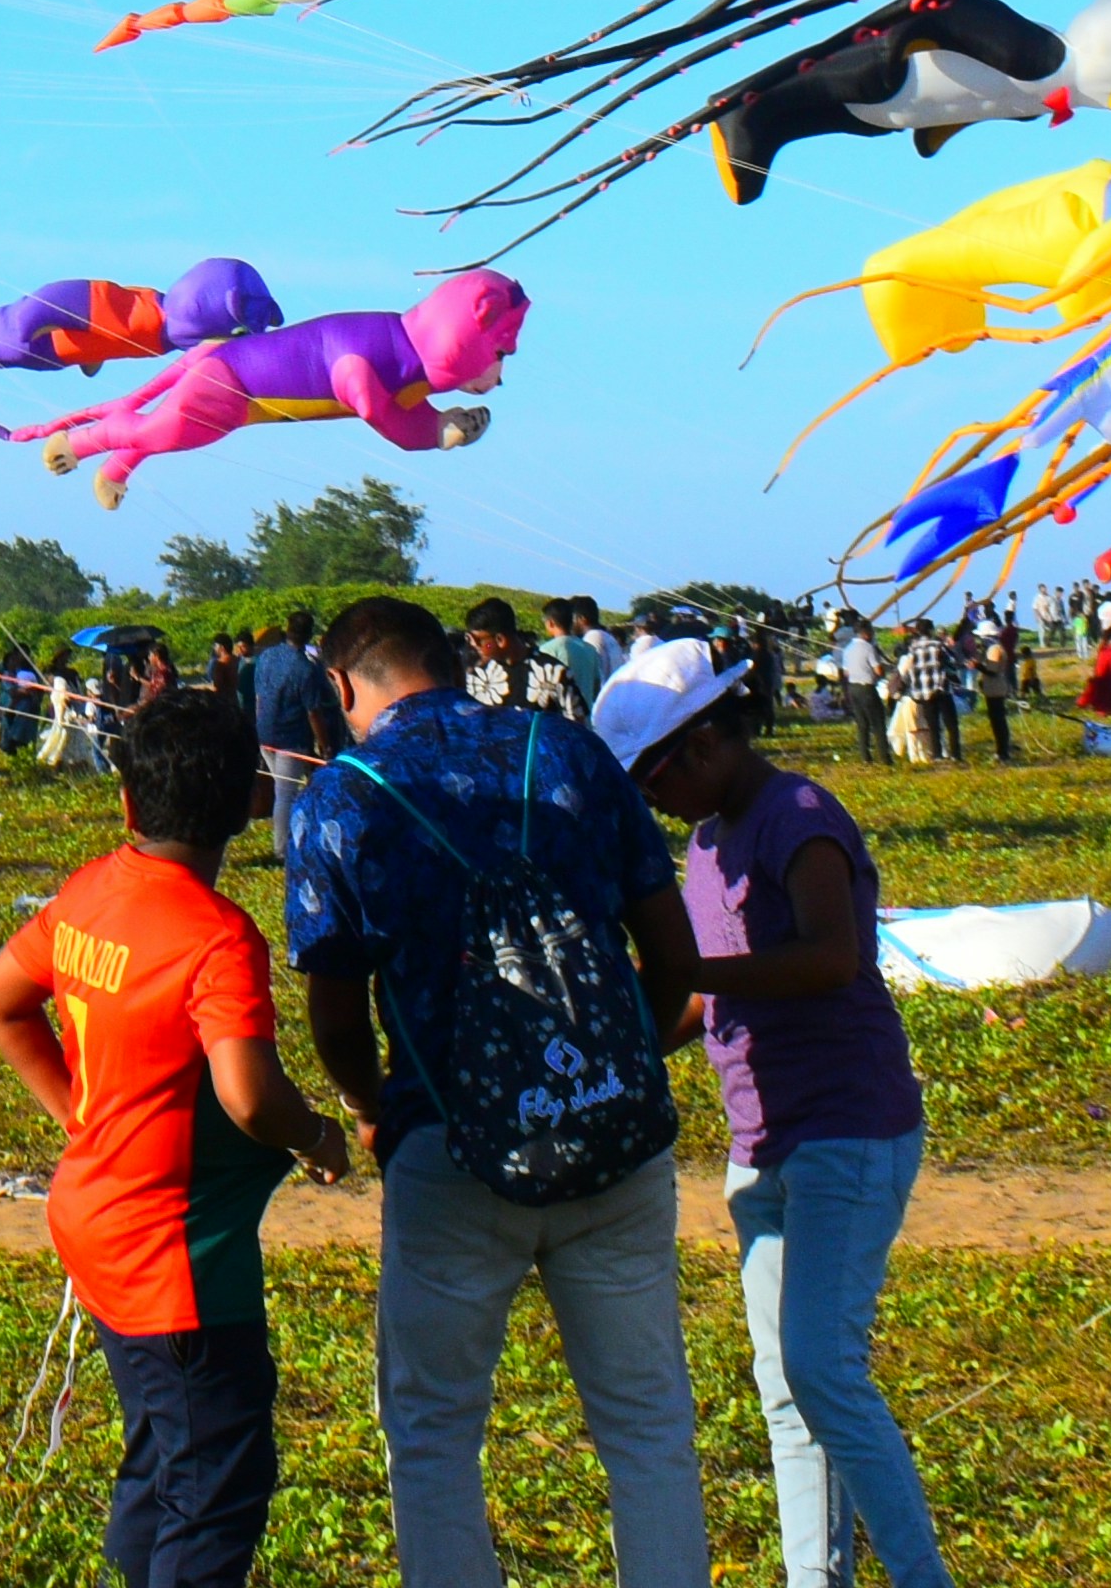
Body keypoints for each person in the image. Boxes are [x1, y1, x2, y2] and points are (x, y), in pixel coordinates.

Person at [282, 597, 705, 1588]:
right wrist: (617, 1063)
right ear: (451, 659)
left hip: (450, 1147)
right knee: (646, 1422)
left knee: (433, 1432)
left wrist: (371, 1103)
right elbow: (674, 956)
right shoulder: (566, 751)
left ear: (345, 687)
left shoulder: (340, 799)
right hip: (616, 1137)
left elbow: (337, 1013)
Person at [0, 686, 347, 1588]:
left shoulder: (90, 888)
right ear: (253, 805)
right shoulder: (218, 938)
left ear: (129, 801)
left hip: (93, 1220)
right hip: (174, 1259)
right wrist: (319, 1134)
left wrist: (76, 1113)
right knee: (216, 1484)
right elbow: (249, 1094)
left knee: (162, 1458)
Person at [601, 640, 951, 1588]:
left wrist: (687, 975)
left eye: (652, 778)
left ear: (706, 741)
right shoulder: (709, 842)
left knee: (826, 1372)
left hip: (847, 1125)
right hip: (763, 1135)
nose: (652, 800)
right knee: (786, 1391)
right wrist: (615, 1043)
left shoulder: (797, 816)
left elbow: (833, 956)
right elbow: (697, 1000)